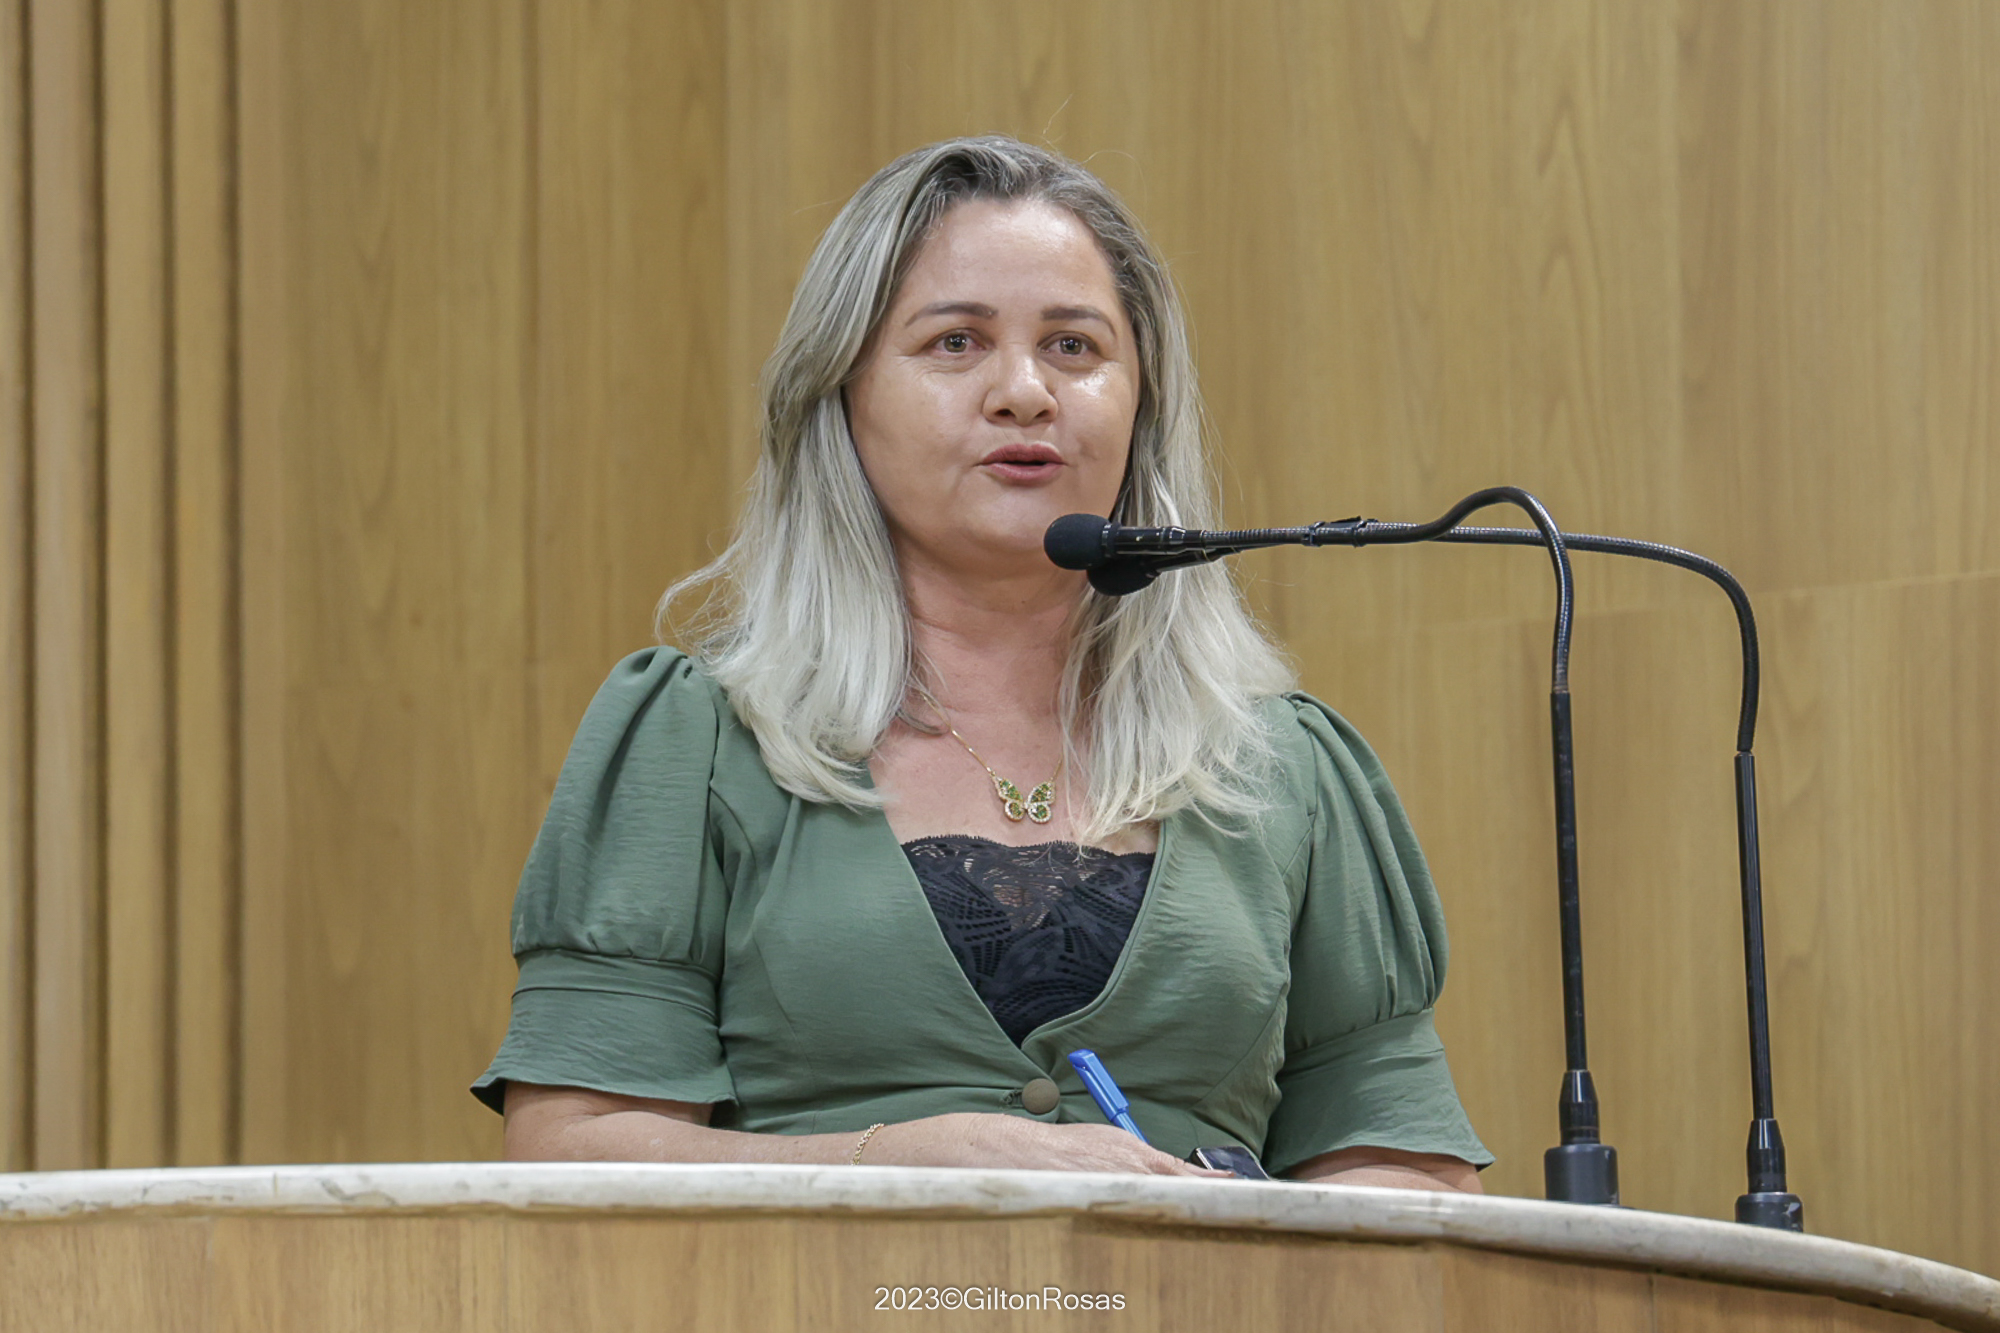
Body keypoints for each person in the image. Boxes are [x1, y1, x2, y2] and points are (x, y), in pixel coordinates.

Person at [474, 136, 1490, 1190]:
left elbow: (1406, 1175)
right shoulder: (695, 742)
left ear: (1141, 403)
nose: (1024, 392)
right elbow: (574, 1149)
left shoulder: (1282, 767)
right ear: (841, 393)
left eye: (1073, 346)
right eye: (955, 342)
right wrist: (902, 1161)